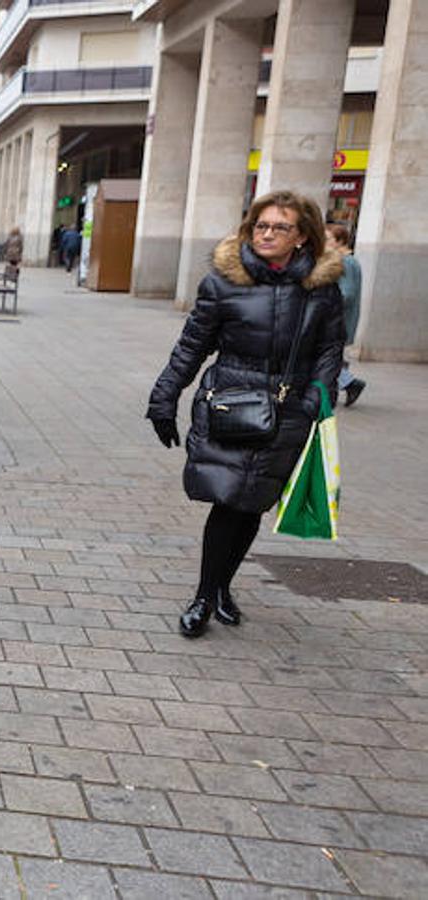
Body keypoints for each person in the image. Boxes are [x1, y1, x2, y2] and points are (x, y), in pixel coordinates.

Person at [147, 190, 346, 639]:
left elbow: (331, 348)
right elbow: (192, 345)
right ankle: (203, 596)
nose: (267, 233)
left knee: (253, 501)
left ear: (302, 236)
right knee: (227, 500)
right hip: (231, 405)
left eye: (280, 227)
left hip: (289, 409)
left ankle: (222, 588)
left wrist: (318, 394)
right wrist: (164, 397)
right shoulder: (224, 281)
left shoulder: (321, 288)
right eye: (261, 225)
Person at [326, 223, 365, 406]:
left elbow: (346, 293)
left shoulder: (345, 262)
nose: (324, 243)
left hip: (339, 321)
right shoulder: (348, 261)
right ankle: (347, 382)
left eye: (328, 239)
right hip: (341, 320)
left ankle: (350, 383)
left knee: (327, 357)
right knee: (333, 357)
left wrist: (324, 306)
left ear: (340, 241)